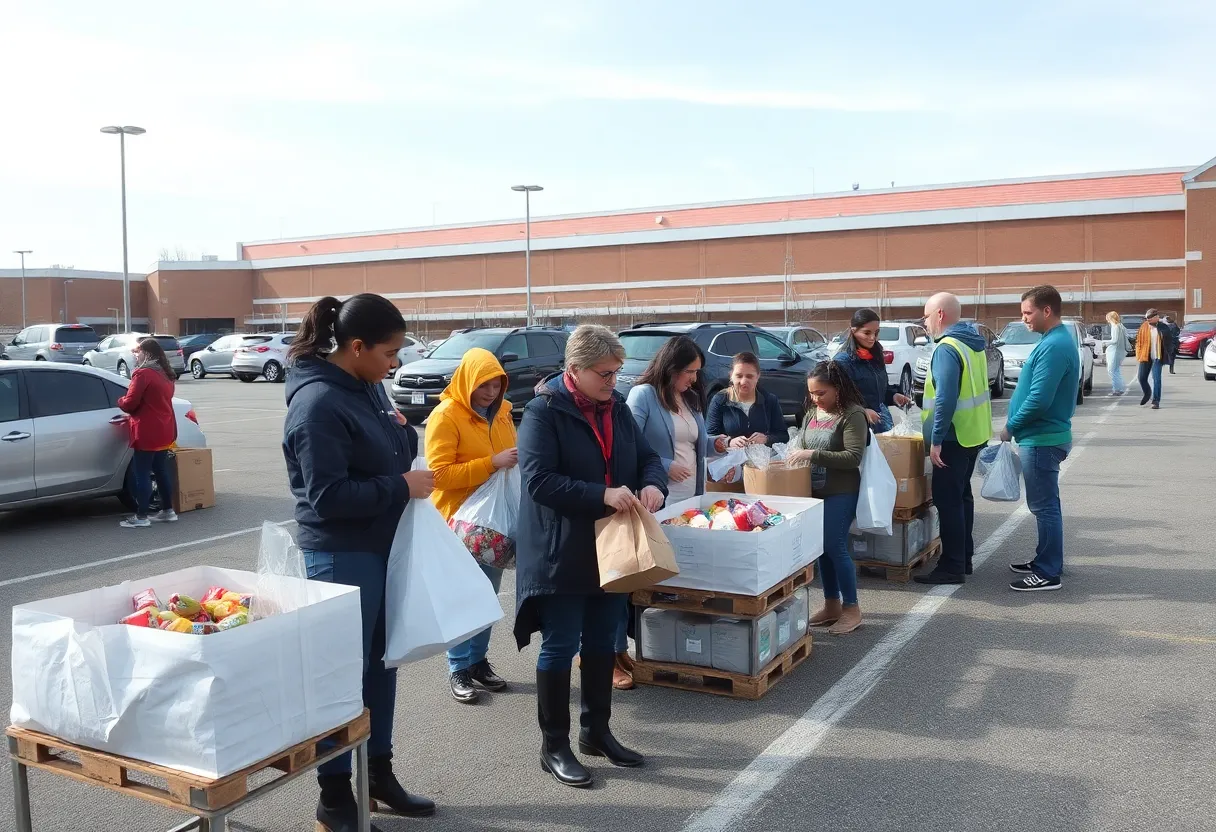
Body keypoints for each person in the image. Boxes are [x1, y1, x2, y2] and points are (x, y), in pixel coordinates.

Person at [282, 294, 437, 831]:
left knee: (381, 664)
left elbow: (390, 445)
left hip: (380, 546)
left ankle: (379, 774)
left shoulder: (367, 385)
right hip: (340, 554)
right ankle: (334, 797)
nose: (396, 363)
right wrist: (399, 485)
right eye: (390, 353)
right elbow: (327, 497)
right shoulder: (318, 404)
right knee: (340, 677)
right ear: (355, 347)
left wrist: (401, 437)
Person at [515, 324, 667, 788]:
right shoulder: (543, 411)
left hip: (612, 547)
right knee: (561, 645)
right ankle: (554, 746)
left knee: (603, 640)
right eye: (605, 373)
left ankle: (596, 732)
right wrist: (601, 494)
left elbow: (648, 457)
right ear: (574, 369)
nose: (613, 381)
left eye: (617, 372)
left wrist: (653, 484)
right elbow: (539, 480)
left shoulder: (616, 407)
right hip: (561, 549)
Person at [425, 347, 518, 704]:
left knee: (487, 596)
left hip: (493, 522)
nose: (491, 393)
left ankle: (478, 662)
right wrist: (491, 463)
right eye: (483, 386)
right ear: (467, 381)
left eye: (497, 385)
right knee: (462, 596)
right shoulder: (446, 415)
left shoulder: (504, 413)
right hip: (459, 521)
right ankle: (458, 667)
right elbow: (439, 475)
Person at [999, 285, 1080, 593]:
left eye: (1027, 312)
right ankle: (1047, 561)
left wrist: (1010, 426)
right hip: (1042, 436)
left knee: (1044, 507)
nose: (1024, 319)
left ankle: (1047, 572)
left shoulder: (1055, 345)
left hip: (1043, 438)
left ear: (1047, 311)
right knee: (1047, 505)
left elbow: (1039, 399)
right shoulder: (1053, 340)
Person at [912, 293, 992, 585]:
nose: (924, 323)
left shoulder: (947, 348)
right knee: (962, 498)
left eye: (925, 316)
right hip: (972, 434)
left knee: (948, 502)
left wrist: (935, 440)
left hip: (952, 438)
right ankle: (964, 558)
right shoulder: (972, 343)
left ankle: (952, 566)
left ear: (940, 315)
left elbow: (945, 398)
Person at [785, 362, 868, 634]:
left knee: (835, 544)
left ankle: (852, 608)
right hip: (814, 492)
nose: (815, 398)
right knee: (821, 547)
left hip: (841, 491)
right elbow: (802, 444)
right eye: (811, 393)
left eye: (821, 393)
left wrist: (812, 455)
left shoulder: (853, 414)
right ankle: (832, 604)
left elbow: (853, 456)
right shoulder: (812, 413)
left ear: (837, 389)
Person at [117, 337, 179, 528]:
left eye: (138, 352)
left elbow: (130, 403)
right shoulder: (166, 374)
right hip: (165, 429)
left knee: (142, 472)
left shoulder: (143, 374)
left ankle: (142, 516)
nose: (136, 356)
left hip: (147, 430)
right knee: (160, 471)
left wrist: (120, 400)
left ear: (147, 353)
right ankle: (168, 511)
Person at [705, 352, 787, 483]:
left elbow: (783, 436)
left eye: (749, 376)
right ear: (731, 376)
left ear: (758, 376)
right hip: (729, 468)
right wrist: (729, 442)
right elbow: (709, 437)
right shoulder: (720, 400)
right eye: (739, 376)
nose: (744, 381)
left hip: (760, 468)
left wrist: (766, 438)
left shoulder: (769, 400)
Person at [831, 308, 911, 433]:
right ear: (853, 331)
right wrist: (862, 411)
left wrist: (893, 395)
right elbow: (837, 400)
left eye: (876, 332)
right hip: (857, 427)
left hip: (881, 421)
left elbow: (879, 390)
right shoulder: (842, 362)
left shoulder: (876, 356)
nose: (872, 338)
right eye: (867, 333)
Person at [1135, 308, 1166, 409]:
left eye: (1150, 318)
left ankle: (1156, 401)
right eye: (1147, 318)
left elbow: (1169, 340)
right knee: (1141, 377)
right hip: (1145, 355)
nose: (1148, 320)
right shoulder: (1144, 326)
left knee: (1156, 379)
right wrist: (1139, 353)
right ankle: (1147, 393)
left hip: (1158, 356)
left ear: (1156, 317)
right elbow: (1138, 341)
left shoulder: (1162, 327)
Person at [1104, 311, 1128, 397]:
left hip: (1114, 351)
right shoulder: (1121, 326)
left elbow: (1114, 340)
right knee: (1116, 370)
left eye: (1107, 318)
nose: (1107, 320)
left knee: (1112, 371)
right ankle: (1119, 388)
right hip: (1120, 351)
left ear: (1110, 318)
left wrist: (1104, 342)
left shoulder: (1115, 327)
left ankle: (1116, 390)